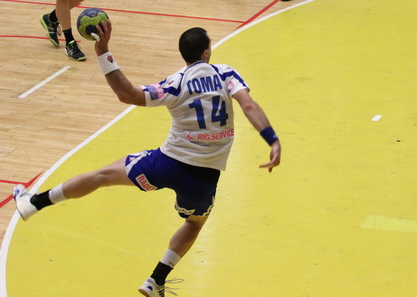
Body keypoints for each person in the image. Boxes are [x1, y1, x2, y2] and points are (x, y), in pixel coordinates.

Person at [12, 21, 281, 296]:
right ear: (205, 52)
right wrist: (272, 140)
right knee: (193, 223)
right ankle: (155, 280)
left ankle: (34, 203)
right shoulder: (225, 74)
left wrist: (103, 52)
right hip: (203, 179)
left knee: (102, 176)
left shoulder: (175, 83)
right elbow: (248, 105)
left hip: (165, 165)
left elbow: (126, 94)